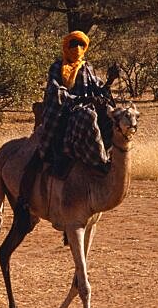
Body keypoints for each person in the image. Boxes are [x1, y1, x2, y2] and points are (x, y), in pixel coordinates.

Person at [16, 31, 115, 211]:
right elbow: (55, 91)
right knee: (88, 117)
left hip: (86, 107)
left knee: (112, 119)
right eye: (72, 44)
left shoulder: (87, 68)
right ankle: (97, 161)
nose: (76, 49)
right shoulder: (57, 67)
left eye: (80, 45)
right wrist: (78, 100)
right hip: (65, 110)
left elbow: (98, 89)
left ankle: (110, 158)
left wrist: (109, 82)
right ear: (66, 47)